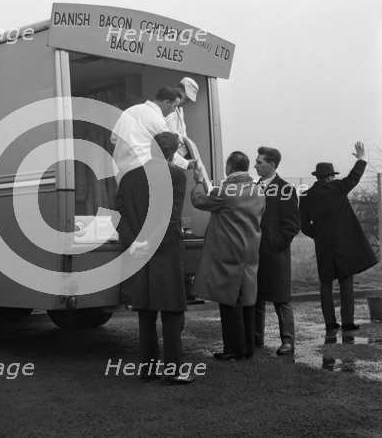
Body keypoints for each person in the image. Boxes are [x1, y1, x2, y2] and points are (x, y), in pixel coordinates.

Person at [115, 132, 192, 385]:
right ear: (171, 153)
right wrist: (151, 242)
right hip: (166, 253)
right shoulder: (176, 176)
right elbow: (171, 217)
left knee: (146, 314)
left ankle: (147, 370)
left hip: (139, 254)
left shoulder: (128, 178)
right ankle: (174, 370)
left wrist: (134, 244)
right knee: (171, 314)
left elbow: (121, 216)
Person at [191, 151, 265, 360]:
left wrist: (198, 182)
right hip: (250, 252)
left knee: (229, 301)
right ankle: (248, 347)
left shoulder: (226, 191)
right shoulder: (259, 191)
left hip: (229, 251)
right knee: (248, 302)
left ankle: (234, 349)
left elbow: (199, 201)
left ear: (229, 167)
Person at [299, 142, 378, 331]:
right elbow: (355, 176)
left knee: (326, 283)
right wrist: (362, 158)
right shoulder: (338, 188)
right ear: (331, 176)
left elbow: (303, 226)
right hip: (344, 243)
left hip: (323, 245)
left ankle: (329, 323)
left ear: (317, 177)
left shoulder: (306, 196)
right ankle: (348, 322)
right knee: (346, 282)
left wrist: (319, 235)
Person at [253, 147, 300, 355]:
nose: (255, 165)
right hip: (253, 253)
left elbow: (291, 225)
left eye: (259, 162)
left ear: (272, 165)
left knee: (281, 298)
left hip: (275, 253)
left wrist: (276, 244)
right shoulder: (252, 188)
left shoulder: (286, 190)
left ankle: (288, 340)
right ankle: (255, 339)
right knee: (255, 297)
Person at [111, 87, 195, 182]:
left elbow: (114, 138)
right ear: (167, 103)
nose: (173, 111)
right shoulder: (158, 121)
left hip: (120, 171)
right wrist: (186, 164)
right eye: (174, 107)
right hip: (143, 172)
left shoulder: (129, 111)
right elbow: (167, 149)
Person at [164, 77, 199, 158]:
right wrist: (187, 157)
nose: (186, 103)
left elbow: (183, 134)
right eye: (186, 99)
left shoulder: (180, 109)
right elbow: (174, 136)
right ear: (179, 91)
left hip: (176, 155)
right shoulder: (167, 106)